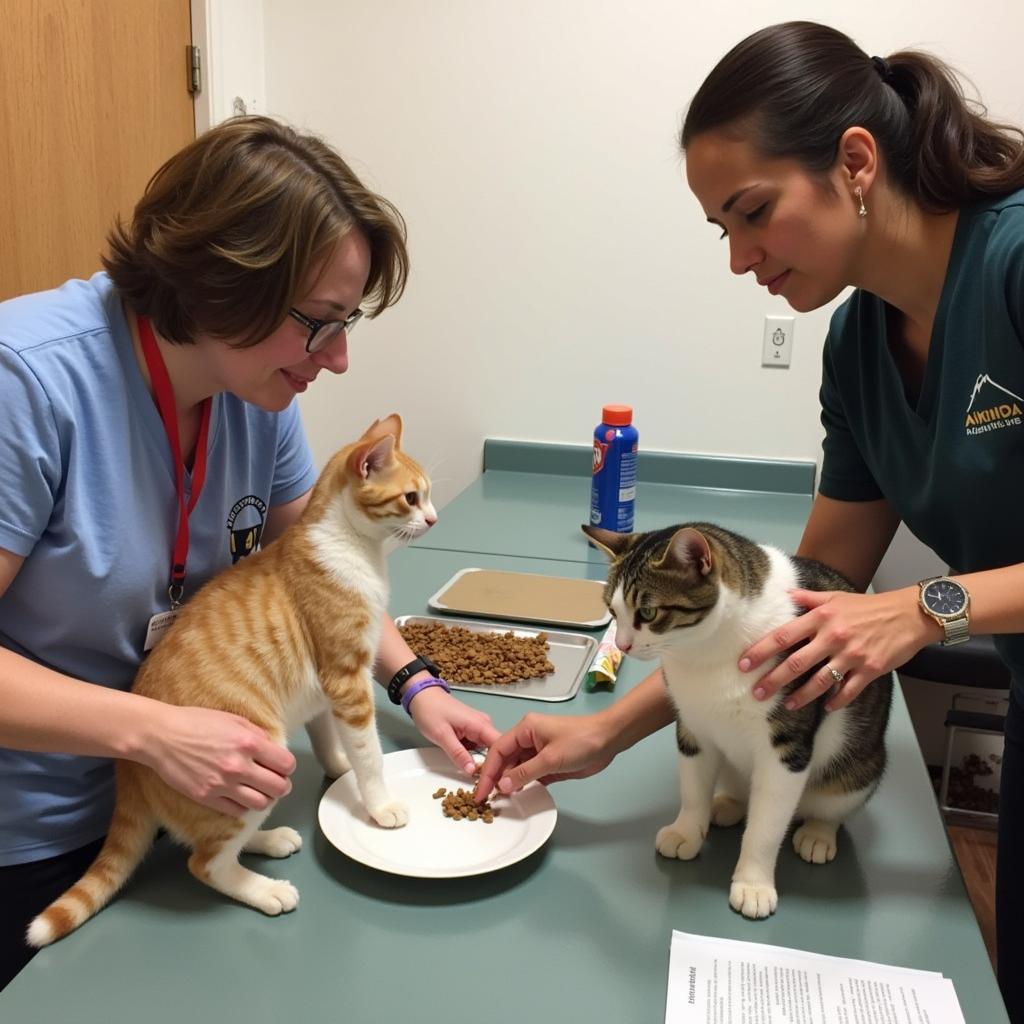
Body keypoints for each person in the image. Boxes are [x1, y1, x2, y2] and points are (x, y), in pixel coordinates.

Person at [476, 21, 1024, 1020]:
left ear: (854, 163)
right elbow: (805, 604)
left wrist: (927, 606)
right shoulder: (858, 344)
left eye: (752, 213)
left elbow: (890, 607)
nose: (739, 261)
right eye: (720, 230)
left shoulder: (1015, 263)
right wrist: (608, 730)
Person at [0, 115, 499, 989]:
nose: (338, 360)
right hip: (34, 836)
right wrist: (156, 734)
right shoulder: (28, 384)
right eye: (320, 323)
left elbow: (322, 565)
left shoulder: (254, 392)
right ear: (220, 282)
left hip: (195, 797)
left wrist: (415, 685)